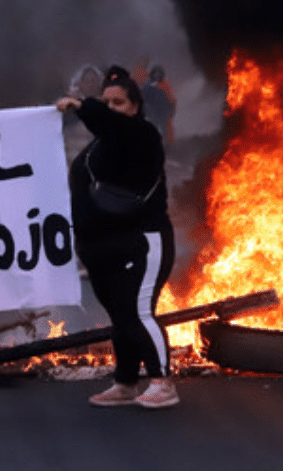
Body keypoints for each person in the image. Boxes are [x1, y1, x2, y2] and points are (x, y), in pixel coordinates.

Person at [56, 65, 177, 409]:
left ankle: (162, 380)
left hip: (142, 240)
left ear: (135, 106)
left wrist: (84, 106)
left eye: (119, 103)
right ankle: (126, 382)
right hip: (101, 246)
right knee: (120, 315)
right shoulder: (99, 145)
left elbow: (113, 127)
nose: (111, 109)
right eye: (105, 103)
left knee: (138, 311)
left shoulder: (142, 136)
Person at [140, 64, 177, 145]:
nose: (157, 76)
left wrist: (173, 108)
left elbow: (171, 97)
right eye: (155, 74)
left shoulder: (165, 84)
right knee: (154, 129)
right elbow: (143, 99)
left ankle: (170, 145)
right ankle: (154, 145)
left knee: (167, 130)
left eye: (158, 74)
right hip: (153, 112)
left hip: (164, 111)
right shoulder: (147, 86)